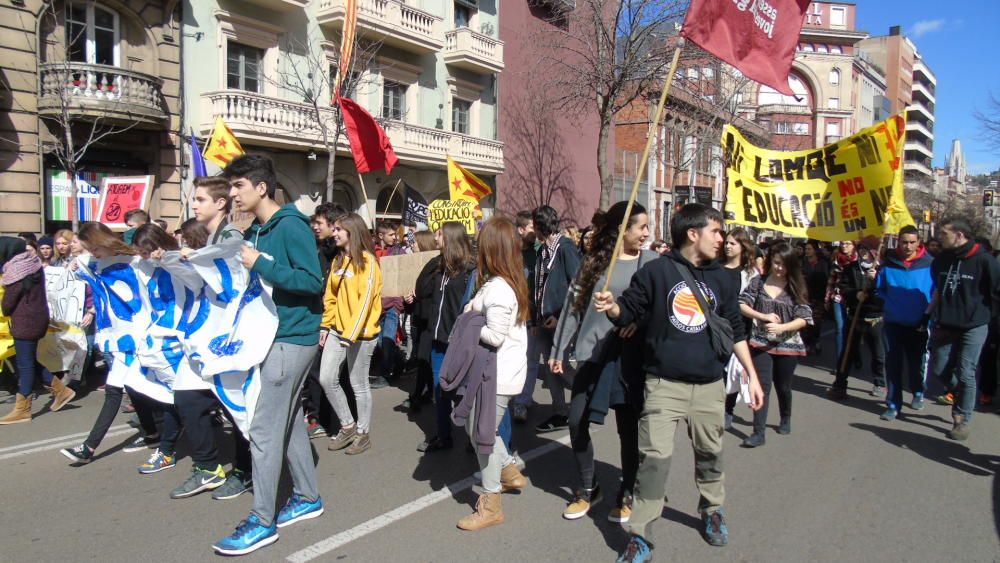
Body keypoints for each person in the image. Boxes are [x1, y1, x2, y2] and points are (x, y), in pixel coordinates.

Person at [593, 203, 764, 559]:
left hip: (708, 386)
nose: (722, 239)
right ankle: (640, 536)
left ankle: (712, 510)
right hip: (662, 386)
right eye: (716, 231)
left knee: (710, 453)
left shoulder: (723, 278)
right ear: (693, 233)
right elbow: (628, 310)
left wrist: (752, 373)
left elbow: (734, 327)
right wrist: (611, 307)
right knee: (653, 460)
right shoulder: (656, 273)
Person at [213, 155, 324, 556]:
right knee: (291, 420)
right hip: (269, 337)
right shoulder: (258, 229)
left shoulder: (291, 225)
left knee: (262, 430)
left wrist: (261, 263)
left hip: (291, 338)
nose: (233, 193)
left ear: (261, 187)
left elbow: (312, 281)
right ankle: (308, 496)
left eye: (239, 185)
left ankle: (262, 520)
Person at [550, 202, 653, 522]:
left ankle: (628, 491)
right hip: (591, 354)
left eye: (647, 227)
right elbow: (573, 306)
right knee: (576, 421)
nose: (647, 233)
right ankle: (588, 486)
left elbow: (660, 305)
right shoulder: (594, 264)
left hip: (628, 358)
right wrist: (558, 349)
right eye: (641, 227)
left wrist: (641, 320)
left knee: (629, 429)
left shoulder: (650, 263)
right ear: (622, 229)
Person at [170, 186, 255, 501]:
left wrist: (196, 259)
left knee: (238, 406)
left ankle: (246, 470)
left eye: (200, 199)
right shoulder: (209, 238)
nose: (194, 204)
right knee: (188, 397)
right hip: (206, 335)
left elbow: (233, 278)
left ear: (220, 203)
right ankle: (208, 467)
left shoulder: (230, 235)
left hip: (230, 337)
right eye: (194, 198)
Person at [59, 223, 163, 463]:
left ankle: (89, 447)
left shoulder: (135, 262)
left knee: (115, 390)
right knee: (136, 389)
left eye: (94, 248)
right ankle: (153, 433)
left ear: (102, 242)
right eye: (89, 249)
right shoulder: (99, 262)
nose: (92, 253)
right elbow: (83, 269)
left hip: (137, 336)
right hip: (119, 337)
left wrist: (160, 259)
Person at [454, 216, 530, 531]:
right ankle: (509, 471)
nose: (476, 247)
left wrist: (468, 322)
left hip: (497, 375)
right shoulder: (503, 283)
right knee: (481, 431)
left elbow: (494, 336)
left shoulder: (499, 288)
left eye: (481, 243)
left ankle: (491, 502)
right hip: (498, 373)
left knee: (482, 437)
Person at [927, 218, 1000, 441]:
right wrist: (927, 314)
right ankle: (960, 392)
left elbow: (996, 292)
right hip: (946, 323)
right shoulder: (941, 260)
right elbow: (938, 290)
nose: (939, 237)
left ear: (959, 235)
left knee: (966, 371)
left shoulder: (985, 261)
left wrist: (990, 319)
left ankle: (962, 419)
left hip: (974, 325)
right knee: (939, 369)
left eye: (944, 233)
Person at [319, 213, 383, 456]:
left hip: (361, 335)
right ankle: (347, 425)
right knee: (326, 378)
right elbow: (331, 297)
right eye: (333, 229)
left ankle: (363, 433)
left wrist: (350, 335)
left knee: (358, 384)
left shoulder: (368, 262)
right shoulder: (337, 261)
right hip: (337, 331)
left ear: (352, 232)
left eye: (338, 229)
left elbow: (365, 303)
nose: (334, 233)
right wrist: (326, 327)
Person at [738, 242, 812, 448]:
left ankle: (785, 417)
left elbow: (805, 317)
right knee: (762, 386)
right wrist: (761, 315)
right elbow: (742, 303)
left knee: (784, 386)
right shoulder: (759, 281)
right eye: (776, 263)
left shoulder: (796, 285)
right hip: (761, 343)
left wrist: (783, 328)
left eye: (784, 265)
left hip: (789, 345)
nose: (779, 268)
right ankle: (758, 432)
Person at [129, 225, 188, 476]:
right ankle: (167, 447)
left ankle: (167, 450)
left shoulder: (179, 264)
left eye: (146, 251)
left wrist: (172, 261)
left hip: (178, 341)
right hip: (159, 340)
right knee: (172, 397)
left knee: (176, 397)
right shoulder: (147, 268)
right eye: (140, 253)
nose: (143, 257)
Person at [415, 222, 478, 452]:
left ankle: (474, 436)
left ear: (451, 238)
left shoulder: (470, 270)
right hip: (438, 339)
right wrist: (436, 260)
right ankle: (443, 436)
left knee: (462, 392)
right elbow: (421, 289)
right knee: (438, 389)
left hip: (458, 341)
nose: (435, 237)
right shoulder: (439, 268)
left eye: (439, 234)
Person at [0, 238, 75, 424]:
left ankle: (23, 409)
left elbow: (7, 305)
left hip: (24, 322)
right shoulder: (32, 262)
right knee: (28, 359)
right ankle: (62, 391)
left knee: (24, 365)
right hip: (37, 319)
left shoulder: (16, 270)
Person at [530, 205, 582, 433]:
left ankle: (587, 394)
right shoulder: (543, 250)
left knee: (560, 366)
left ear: (541, 226)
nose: (531, 230)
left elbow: (578, 285)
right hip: (543, 321)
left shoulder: (565, 249)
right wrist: (534, 319)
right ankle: (560, 411)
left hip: (560, 320)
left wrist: (560, 316)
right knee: (550, 368)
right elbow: (538, 288)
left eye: (534, 225)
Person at [875, 225, 933, 420]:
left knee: (916, 365)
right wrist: (889, 302)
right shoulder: (888, 264)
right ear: (898, 242)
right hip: (893, 322)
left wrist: (928, 316)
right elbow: (880, 289)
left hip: (919, 323)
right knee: (893, 364)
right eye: (904, 242)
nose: (908, 246)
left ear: (918, 243)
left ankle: (918, 390)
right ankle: (892, 404)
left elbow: (936, 294)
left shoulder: (930, 264)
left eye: (912, 242)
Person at [303, 202, 347, 439]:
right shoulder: (316, 250)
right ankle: (316, 418)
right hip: (317, 320)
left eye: (319, 223)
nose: (315, 227)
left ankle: (337, 422)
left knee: (330, 375)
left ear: (333, 225)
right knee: (315, 373)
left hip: (335, 324)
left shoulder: (342, 254)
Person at [829, 237, 886, 400]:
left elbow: (887, 292)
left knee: (878, 353)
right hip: (855, 315)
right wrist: (855, 294)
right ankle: (840, 384)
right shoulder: (851, 268)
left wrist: (876, 281)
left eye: (867, 250)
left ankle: (879, 382)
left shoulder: (882, 269)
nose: (863, 253)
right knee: (847, 351)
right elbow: (843, 287)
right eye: (861, 249)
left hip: (875, 317)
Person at [722, 227, 759, 430]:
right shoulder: (716, 267)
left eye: (732, 243)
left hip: (739, 329)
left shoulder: (750, 274)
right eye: (726, 242)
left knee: (733, 371)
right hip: (716, 325)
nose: (727, 246)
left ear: (742, 247)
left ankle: (728, 410)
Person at [400, 229, 439, 412]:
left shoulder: (435, 266)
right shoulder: (413, 264)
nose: (411, 245)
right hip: (417, 317)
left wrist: (417, 295)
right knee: (423, 358)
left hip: (429, 319)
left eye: (414, 242)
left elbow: (430, 294)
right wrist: (409, 299)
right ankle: (428, 391)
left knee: (424, 357)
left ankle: (419, 395)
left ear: (423, 243)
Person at [510, 210, 538, 423]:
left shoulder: (539, 253)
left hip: (533, 315)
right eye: (531, 228)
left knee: (531, 360)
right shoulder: (510, 253)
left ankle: (522, 401)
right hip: (513, 314)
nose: (535, 231)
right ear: (521, 230)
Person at [372, 221, 406, 389]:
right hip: (377, 305)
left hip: (392, 303)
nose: (395, 237)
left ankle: (385, 375)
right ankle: (399, 360)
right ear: (381, 236)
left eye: (395, 234)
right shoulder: (372, 252)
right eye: (391, 235)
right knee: (379, 342)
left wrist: (399, 303)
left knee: (388, 339)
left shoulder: (399, 252)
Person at [825, 240, 857, 369]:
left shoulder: (858, 260)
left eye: (848, 244)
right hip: (838, 298)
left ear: (854, 246)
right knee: (840, 327)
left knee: (853, 329)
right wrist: (827, 298)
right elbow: (831, 280)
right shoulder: (836, 260)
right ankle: (840, 362)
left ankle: (854, 355)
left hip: (853, 298)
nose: (844, 246)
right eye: (843, 244)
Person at [801, 241, 829, 354]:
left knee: (816, 322)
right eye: (806, 249)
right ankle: (806, 343)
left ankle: (815, 341)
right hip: (806, 297)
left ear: (815, 250)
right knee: (805, 322)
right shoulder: (803, 263)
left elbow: (825, 279)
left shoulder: (823, 263)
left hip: (818, 297)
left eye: (809, 249)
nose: (807, 251)